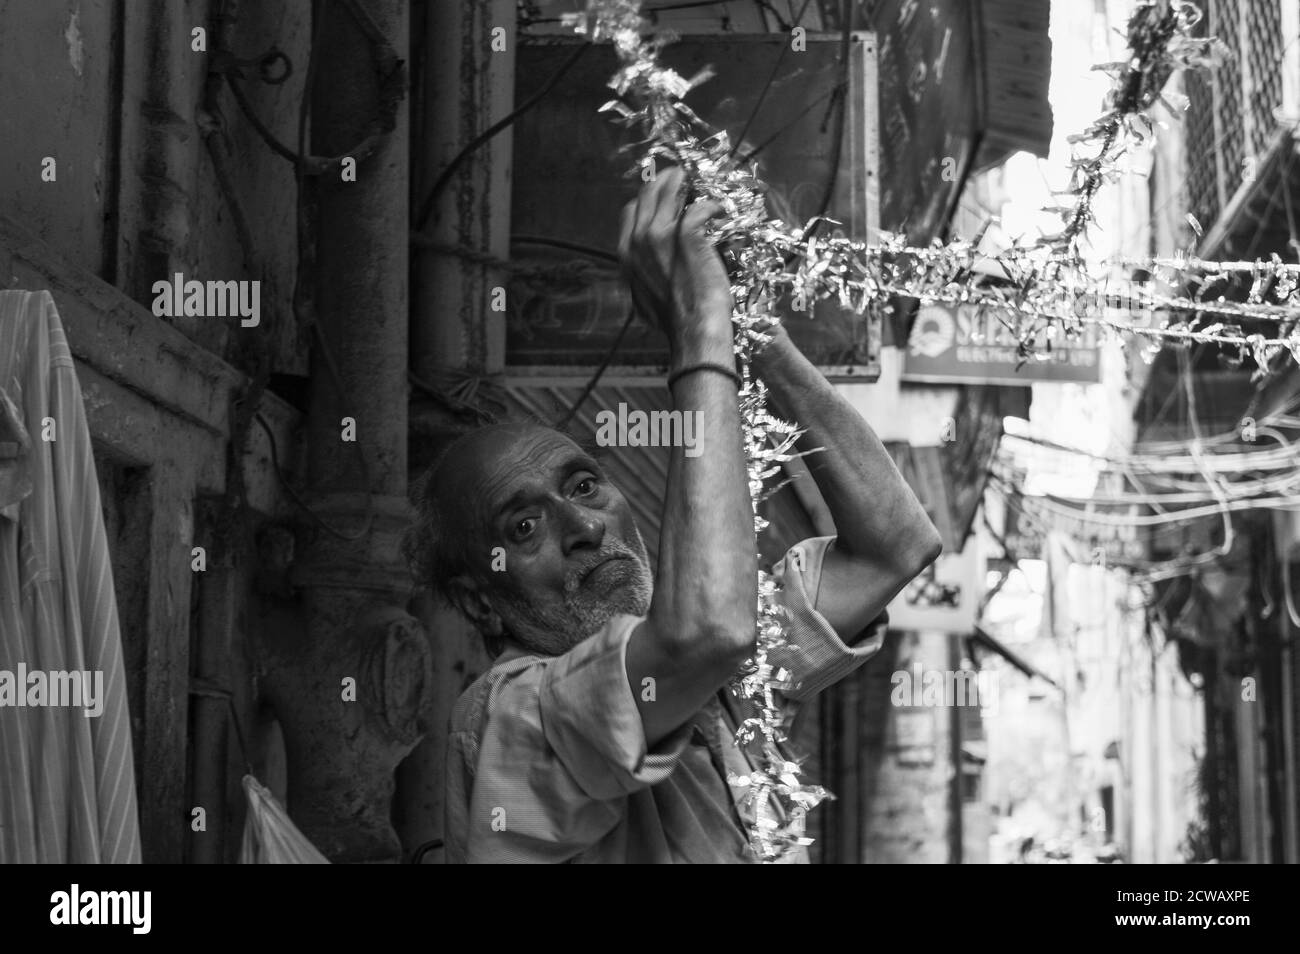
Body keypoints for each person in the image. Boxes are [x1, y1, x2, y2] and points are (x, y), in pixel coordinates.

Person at [407, 168, 942, 863]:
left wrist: (751, 332)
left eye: (585, 487)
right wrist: (698, 331)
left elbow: (893, 547)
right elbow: (709, 631)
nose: (585, 530)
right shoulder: (514, 718)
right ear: (482, 604)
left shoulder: (716, 692)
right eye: (524, 528)